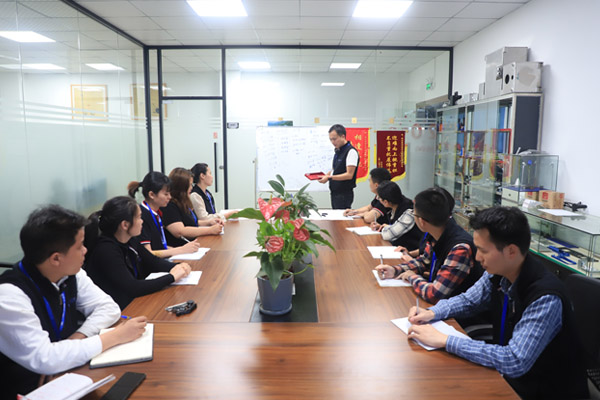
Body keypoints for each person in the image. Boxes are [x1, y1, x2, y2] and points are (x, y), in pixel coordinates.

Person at [406, 207, 588, 399]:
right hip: (512, 379)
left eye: (483, 251)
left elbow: (515, 360)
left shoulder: (545, 297)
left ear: (511, 251)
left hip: (544, 391)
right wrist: (433, 312)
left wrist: (445, 340)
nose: (477, 257)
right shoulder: (500, 272)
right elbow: (469, 300)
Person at [0, 205, 147, 398]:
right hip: (27, 391)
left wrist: (77, 337)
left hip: (67, 374)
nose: (85, 250)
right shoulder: (9, 295)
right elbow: (45, 358)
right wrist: (115, 336)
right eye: (79, 246)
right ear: (56, 259)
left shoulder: (70, 274)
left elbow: (108, 307)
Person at [375, 187, 482, 303]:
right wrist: (395, 270)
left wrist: (411, 277)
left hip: (454, 311)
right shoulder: (436, 233)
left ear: (421, 221)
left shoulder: (460, 248)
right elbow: (424, 261)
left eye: (414, 214)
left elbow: (434, 294)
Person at [85, 196, 192, 309]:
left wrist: (179, 266)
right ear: (125, 225)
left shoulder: (130, 239)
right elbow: (132, 287)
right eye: (139, 217)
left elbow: (153, 261)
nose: (142, 221)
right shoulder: (106, 250)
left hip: (130, 302)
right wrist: (172, 277)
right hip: (116, 309)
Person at [128, 171, 201, 258]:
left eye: (169, 193)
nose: (169, 197)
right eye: (166, 194)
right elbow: (148, 254)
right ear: (152, 194)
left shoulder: (157, 213)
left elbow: (160, 246)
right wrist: (180, 250)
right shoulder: (142, 216)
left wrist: (182, 249)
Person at [162, 167, 223, 248]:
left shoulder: (183, 202)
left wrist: (209, 222)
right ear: (182, 186)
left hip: (193, 245)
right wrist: (210, 230)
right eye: (190, 185)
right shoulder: (169, 205)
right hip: (181, 248)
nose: (191, 187)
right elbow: (180, 231)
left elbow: (192, 222)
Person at [370, 181, 422, 249]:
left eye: (379, 198)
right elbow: (397, 226)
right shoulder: (395, 205)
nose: (379, 200)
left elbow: (388, 235)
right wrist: (382, 227)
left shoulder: (409, 212)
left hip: (408, 251)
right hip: (398, 247)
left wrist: (384, 228)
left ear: (385, 202)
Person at [318, 124, 360, 209]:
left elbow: (349, 175)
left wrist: (329, 178)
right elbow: (336, 169)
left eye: (334, 139)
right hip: (335, 192)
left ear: (343, 136)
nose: (332, 142)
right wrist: (327, 175)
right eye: (330, 139)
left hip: (344, 193)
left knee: (341, 216)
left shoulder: (351, 152)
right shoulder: (338, 151)